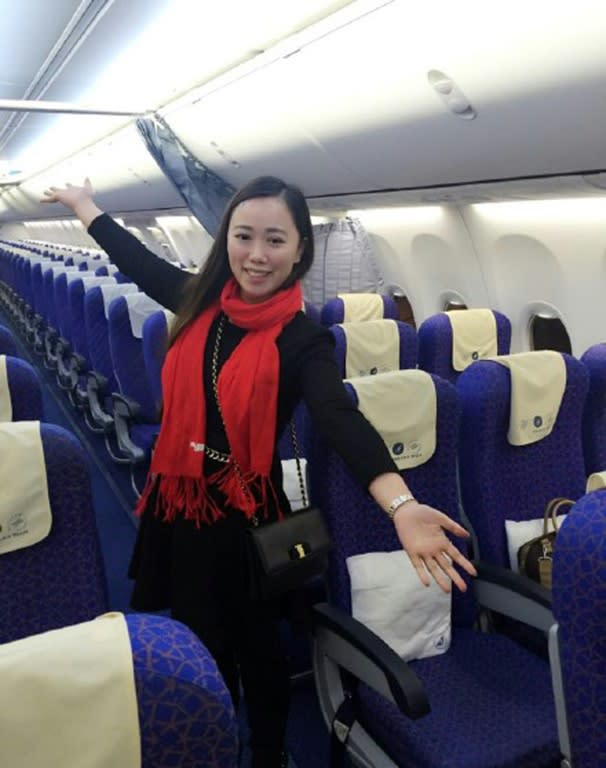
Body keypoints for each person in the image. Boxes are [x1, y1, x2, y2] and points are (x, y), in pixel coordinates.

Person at [42, 176, 476, 768]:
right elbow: (136, 260)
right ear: (227, 241)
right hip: (185, 505)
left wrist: (401, 505)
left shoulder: (303, 339)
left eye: (275, 240)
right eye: (243, 237)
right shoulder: (199, 300)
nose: (256, 254)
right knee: (204, 642)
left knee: (261, 648)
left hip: (248, 512)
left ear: (300, 250)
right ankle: (217, 744)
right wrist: (84, 206)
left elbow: (338, 417)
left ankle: (269, 752)